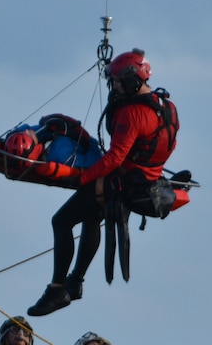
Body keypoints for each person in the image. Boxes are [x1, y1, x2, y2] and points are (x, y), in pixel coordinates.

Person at [28, 48, 179, 316]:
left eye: (117, 83)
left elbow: (114, 159)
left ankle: (57, 289)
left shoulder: (131, 113)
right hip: (148, 179)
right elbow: (169, 143)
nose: (115, 88)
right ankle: (75, 284)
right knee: (90, 218)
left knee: (61, 221)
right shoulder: (168, 107)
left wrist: (83, 177)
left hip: (122, 183)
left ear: (133, 82)